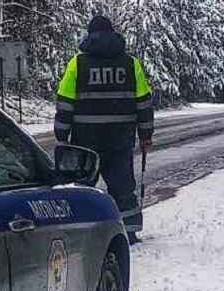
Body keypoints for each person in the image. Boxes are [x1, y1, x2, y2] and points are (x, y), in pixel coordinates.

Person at [53, 16, 154, 241]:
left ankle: (82, 235)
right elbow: (144, 103)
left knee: (82, 188)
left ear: (90, 36)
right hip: (120, 139)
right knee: (123, 187)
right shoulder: (131, 64)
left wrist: (62, 133)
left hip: (85, 139)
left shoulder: (77, 64)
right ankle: (129, 232)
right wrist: (146, 135)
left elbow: (65, 103)